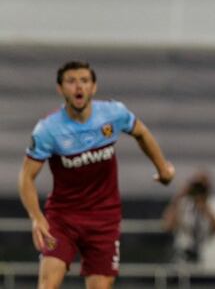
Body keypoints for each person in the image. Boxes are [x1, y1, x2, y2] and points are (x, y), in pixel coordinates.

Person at [17, 60, 175, 289]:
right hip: (63, 218)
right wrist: (36, 217)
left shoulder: (113, 114)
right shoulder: (48, 130)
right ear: (60, 89)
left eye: (84, 81)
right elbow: (26, 177)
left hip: (104, 218)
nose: (78, 87)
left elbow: (141, 132)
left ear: (94, 87)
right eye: (71, 81)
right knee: (48, 285)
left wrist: (163, 170)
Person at [162, 169, 215, 273]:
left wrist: (204, 206)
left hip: (213, 266)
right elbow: (167, 226)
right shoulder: (183, 204)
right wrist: (179, 196)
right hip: (185, 267)